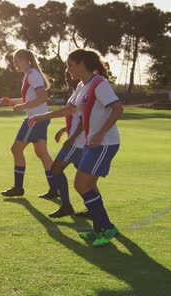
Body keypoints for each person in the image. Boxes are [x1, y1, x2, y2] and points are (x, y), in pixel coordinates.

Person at [28, 49, 124, 247]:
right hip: (93, 143)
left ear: (81, 64)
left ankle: (107, 227)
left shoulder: (99, 83)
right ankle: (99, 230)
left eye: (70, 64)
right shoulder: (82, 86)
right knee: (87, 185)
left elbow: (118, 108)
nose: (68, 68)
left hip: (105, 143)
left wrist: (100, 133)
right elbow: (70, 109)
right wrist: (42, 116)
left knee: (81, 185)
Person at [0, 49, 57, 198]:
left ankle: (18, 188)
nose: (15, 64)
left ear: (26, 59)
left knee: (16, 149)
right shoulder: (29, 75)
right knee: (42, 153)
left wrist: (22, 107)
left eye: (17, 60)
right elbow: (30, 98)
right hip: (38, 118)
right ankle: (54, 189)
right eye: (14, 61)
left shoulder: (33, 75)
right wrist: (11, 101)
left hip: (35, 119)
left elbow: (43, 97)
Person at [43, 71, 85, 218]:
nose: (67, 79)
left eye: (70, 75)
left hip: (77, 142)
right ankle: (92, 208)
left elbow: (84, 119)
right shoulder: (76, 91)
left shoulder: (82, 89)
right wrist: (65, 130)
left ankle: (67, 206)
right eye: (65, 75)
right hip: (77, 140)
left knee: (55, 168)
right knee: (85, 179)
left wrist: (72, 138)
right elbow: (76, 117)